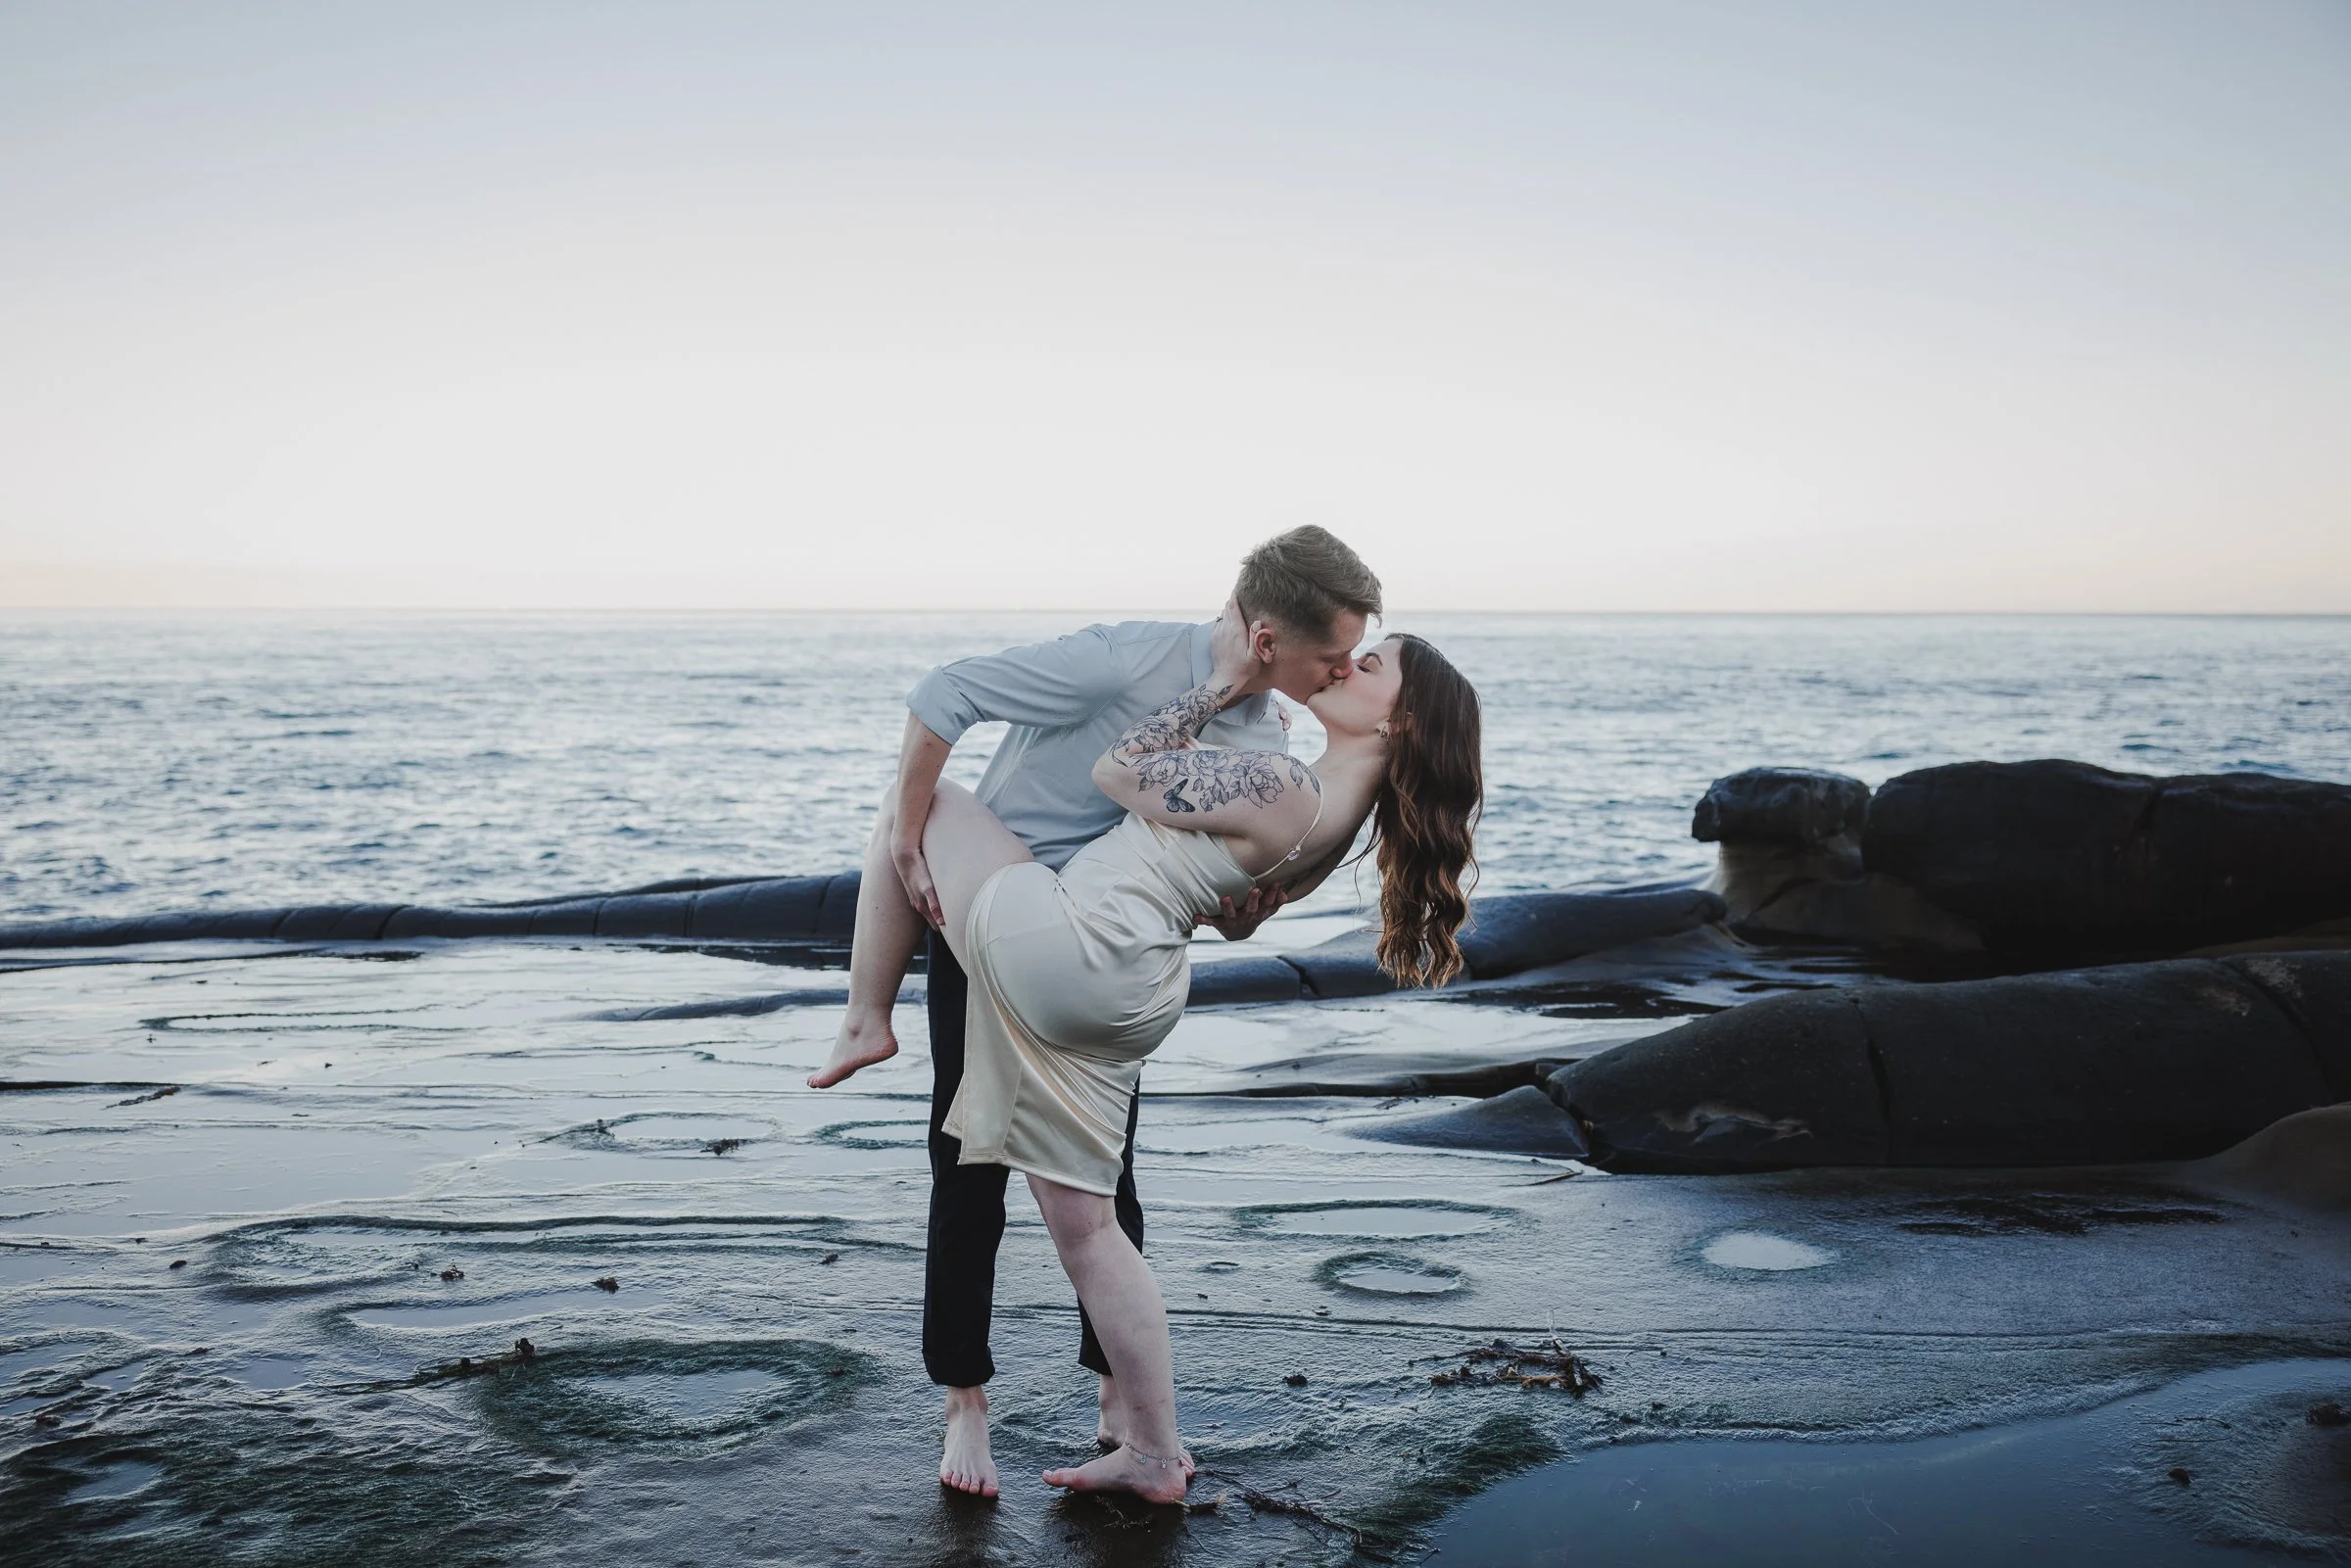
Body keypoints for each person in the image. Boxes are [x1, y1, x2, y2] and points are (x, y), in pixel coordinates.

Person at [815, 572, 1484, 1505]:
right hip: (1132, 981)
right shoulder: (1335, 810)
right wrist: (1242, 916)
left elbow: (1120, 769)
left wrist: (1219, 686)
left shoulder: (1285, 777)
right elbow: (1235, 899)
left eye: (1370, 662)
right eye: (1346, 649)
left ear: (1401, 722)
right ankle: (1153, 1450)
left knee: (911, 805)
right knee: (1088, 1225)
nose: (1345, 665)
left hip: (1063, 944)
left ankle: (863, 1016)